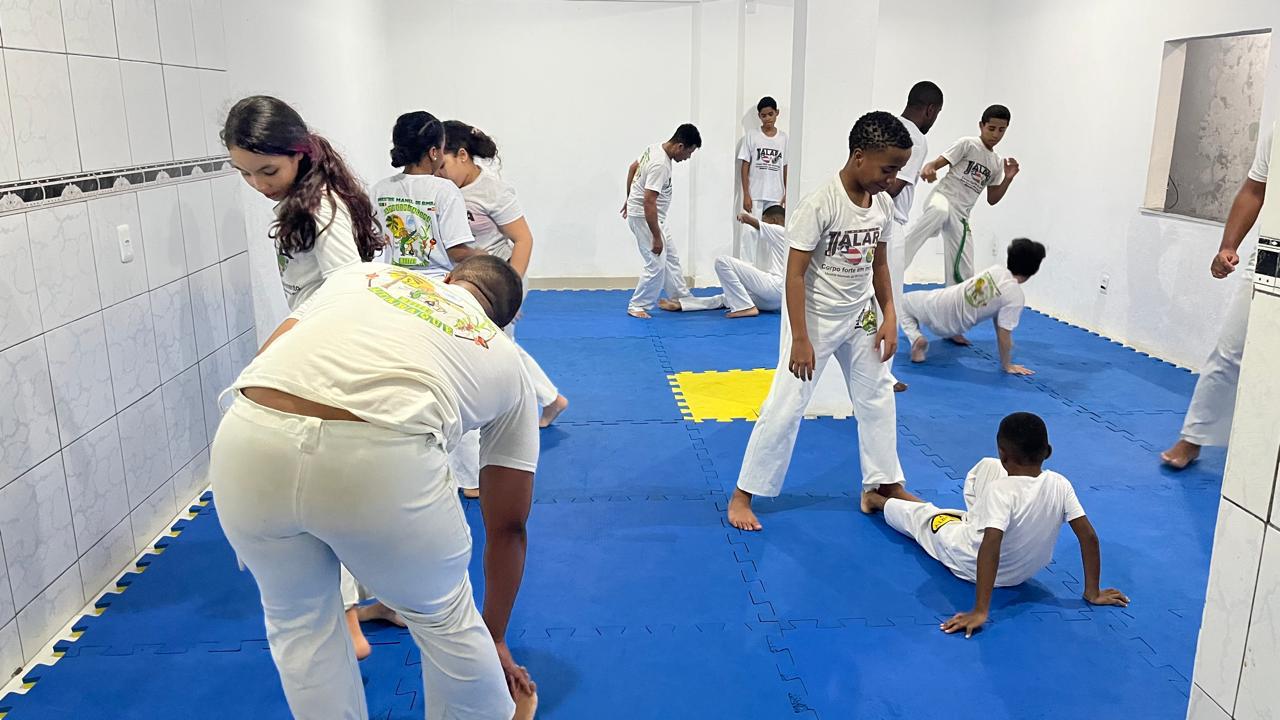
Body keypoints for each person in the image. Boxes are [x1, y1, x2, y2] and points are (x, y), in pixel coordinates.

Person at [210, 256, 539, 720]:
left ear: (447, 280)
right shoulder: (505, 358)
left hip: (248, 437)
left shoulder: (366, 274)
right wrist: (496, 636)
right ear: (503, 322)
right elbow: (508, 525)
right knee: (444, 620)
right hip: (379, 459)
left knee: (299, 623)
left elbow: (267, 359)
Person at [222, 95, 385, 662]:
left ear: (299, 152)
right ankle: (381, 600)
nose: (257, 184)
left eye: (267, 170)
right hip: (324, 351)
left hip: (330, 361)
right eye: (244, 173)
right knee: (351, 491)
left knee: (317, 495)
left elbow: (348, 291)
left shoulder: (323, 206)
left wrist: (281, 345)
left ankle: (350, 626)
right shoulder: (308, 196)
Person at [727, 111, 916, 532]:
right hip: (813, 320)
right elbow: (794, 275)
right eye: (888, 169)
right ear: (859, 156)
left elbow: (879, 264)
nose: (892, 179)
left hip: (860, 316)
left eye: (898, 170)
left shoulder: (881, 203)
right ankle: (743, 494)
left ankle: (881, 485)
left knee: (878, 396)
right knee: (786, 405)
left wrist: (890, 315)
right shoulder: (820, 205)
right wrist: (799, 338)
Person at [864, 412, 1130, 638]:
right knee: (984, 470)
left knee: (925, 522)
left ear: (1004, 454)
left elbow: (990, 544)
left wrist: (980, 610)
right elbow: (1089, 537)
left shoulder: (1001, 491)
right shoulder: (1060, 483)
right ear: (1047, 452)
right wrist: (1092, 592)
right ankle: (920, 504)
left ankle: (875, 500)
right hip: (1023, 571)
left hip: (969, 562)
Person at [436, 120, 568, 429]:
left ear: (463, 156)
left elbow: (523, 239)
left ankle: (545, 401)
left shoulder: (492, 190)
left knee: (500, 348)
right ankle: (549, 399)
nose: (438, 172)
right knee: (496, 347)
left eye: (443, 165)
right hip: (464, 279)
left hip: (498, 279)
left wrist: (513, 291)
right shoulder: (441, 188)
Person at [1162, 123, 1272, 470]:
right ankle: (1192, 438)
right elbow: (1255, 190)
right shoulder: (1278, 131)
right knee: (1230, 349)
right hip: (1273, 252)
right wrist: (1228, 245)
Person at [901, 105, 1021, 322]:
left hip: (961, 216)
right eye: (991, 128)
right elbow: (937, 162)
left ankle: (951, 321)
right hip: (943, 198)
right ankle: (897, 261)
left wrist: (1008, 178)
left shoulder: (995, 163)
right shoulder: (968, 144)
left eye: (1001, 130)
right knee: (939, 211)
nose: (995, 134)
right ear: (981, 125)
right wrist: (930, 168)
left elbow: (992, 199)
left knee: (964, 273)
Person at [901, 238, 1046, 375]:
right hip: (953, 327)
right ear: (1033, 270)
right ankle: (951, 335)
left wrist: (1007, 365)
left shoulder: (996, 270)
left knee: (900, 303)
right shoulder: (1015, 297)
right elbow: (1004, 333)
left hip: (936, 303)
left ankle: (916, 339)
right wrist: (1007, 365)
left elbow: (1002, 330)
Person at [884, 81, 944, 392]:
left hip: (870, 221)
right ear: (930, 109)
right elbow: (893, 187)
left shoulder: (887, 126)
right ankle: (884, 375)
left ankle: (868, 371)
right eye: (936, 115)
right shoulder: (916, 140)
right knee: (888, 300)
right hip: (890, 224)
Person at [370, 111, 479, 276]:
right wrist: (481, 255)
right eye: (442, 150)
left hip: (390, 281)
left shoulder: (380, 189)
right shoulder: (445, 190)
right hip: (436, 285)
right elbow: (456, 252)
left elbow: (372, 242)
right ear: (433, 152)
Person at [622, 124, 702, 318]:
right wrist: (656, 237)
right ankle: (637, 305)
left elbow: (633, 168)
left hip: (652, 216)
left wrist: (629, 198)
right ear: (680, 146)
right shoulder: (661, 165)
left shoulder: (654, 148)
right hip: (645, 218)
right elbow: (649, 201)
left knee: (671, 257)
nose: (687, 158)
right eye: (689, 153)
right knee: (656, 262)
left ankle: (679, 297)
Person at [658, 205, 786, 318]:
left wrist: (743, 215)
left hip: (774, 288)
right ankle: (683, 304)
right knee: (728, 298)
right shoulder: (794, 241)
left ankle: (745, 307)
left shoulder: (781, 230)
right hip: (777, 301)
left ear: (774, 221)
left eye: (766, 221)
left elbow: (753, 221)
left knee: (722, 262)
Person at [737, 96, 788, 269]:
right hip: (755, 194)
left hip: (776, 196)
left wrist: (787, 191)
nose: (767, 119)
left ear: (777, 113)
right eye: (763, 115)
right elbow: (745, 166)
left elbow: (786, 166)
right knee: (749, 234)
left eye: (770, 114)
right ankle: (746, 271)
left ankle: (771, 272)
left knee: (773, 234)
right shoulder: (751, 136)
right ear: (759, 116)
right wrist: (746, 194)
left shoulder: (784, 139)